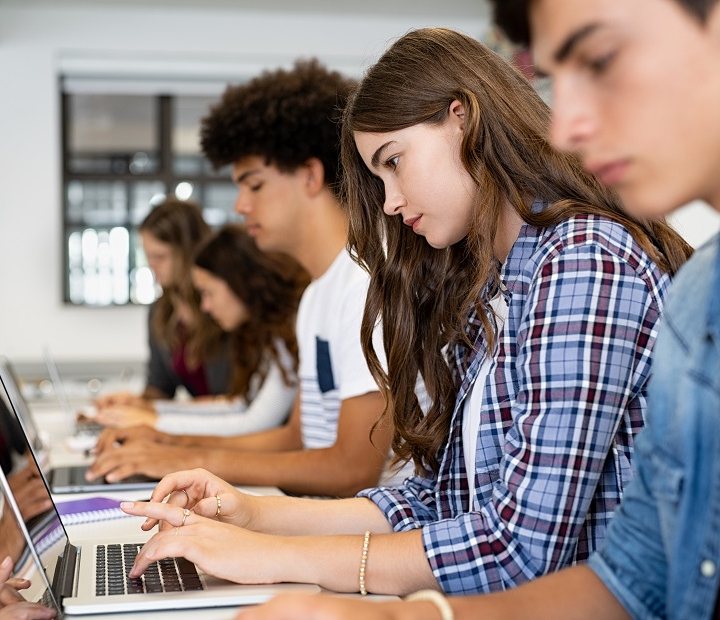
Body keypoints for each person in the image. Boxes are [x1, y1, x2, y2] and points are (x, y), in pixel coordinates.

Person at [117, 27, 691, 599]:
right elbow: (438, 500)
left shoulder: (582, 262)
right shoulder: (491, 281)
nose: (389, 201)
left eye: (394, 161)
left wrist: (269, 555)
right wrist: (252, 516)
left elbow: (517, 550)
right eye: (378, 177)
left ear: (462, 119)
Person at [88, 58, 407, 498]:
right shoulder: (318, 295)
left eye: (253, 185)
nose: (240, 206)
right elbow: (297, 438)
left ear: (311, 176)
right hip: (318, 520)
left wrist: (185, 460)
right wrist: (172, 443)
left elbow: (353, 468)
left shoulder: (363, 286)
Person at [88, 224, 308, 437]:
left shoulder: (290, 329)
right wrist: (150, 411)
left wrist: (154, 421)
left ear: (238, 282)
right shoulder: (270, 331)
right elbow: (239, 406)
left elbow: (256, 422)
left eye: (208, 292)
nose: (206, 306)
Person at [94, 198, 231, 415]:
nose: (151, 266)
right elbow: (160, 387)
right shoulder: (161, 310)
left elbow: (238, 404)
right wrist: (134, 402)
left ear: (189, 252)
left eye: (160, 257)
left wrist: (166, 409)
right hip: (198, 426)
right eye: (148, 256)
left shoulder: (226, 307)